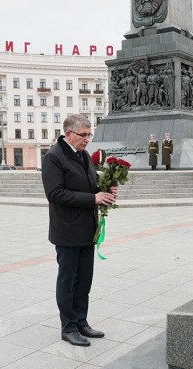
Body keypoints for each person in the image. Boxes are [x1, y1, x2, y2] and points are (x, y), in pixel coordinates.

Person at [41, 114, 118, 347]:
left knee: (84, 280)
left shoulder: (83, 155)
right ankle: (68, 327)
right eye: (83, 135)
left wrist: (105, 189)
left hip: (87, 229)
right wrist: (93, 198)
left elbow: (89, 183)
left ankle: (81, 321)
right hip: (67, 230)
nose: (87, 139)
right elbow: (55, 194)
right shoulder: (54, 157)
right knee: (68, 280)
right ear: (69, 134)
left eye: (89, 134)